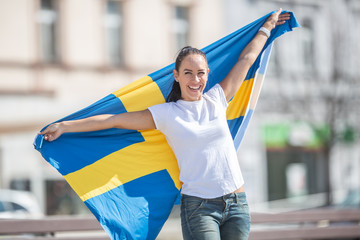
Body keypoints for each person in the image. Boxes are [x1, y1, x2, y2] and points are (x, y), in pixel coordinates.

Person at [40, 9, 290, 240]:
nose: (196, 79)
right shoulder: (167, 114)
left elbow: (246, 59)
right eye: (189, 73)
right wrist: (65, 126)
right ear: (176, 75)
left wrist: (266, 28)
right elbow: (113, 120)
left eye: (201, 73)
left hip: (237, 204)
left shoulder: (217, 99)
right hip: (200, 208)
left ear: (207, 74)